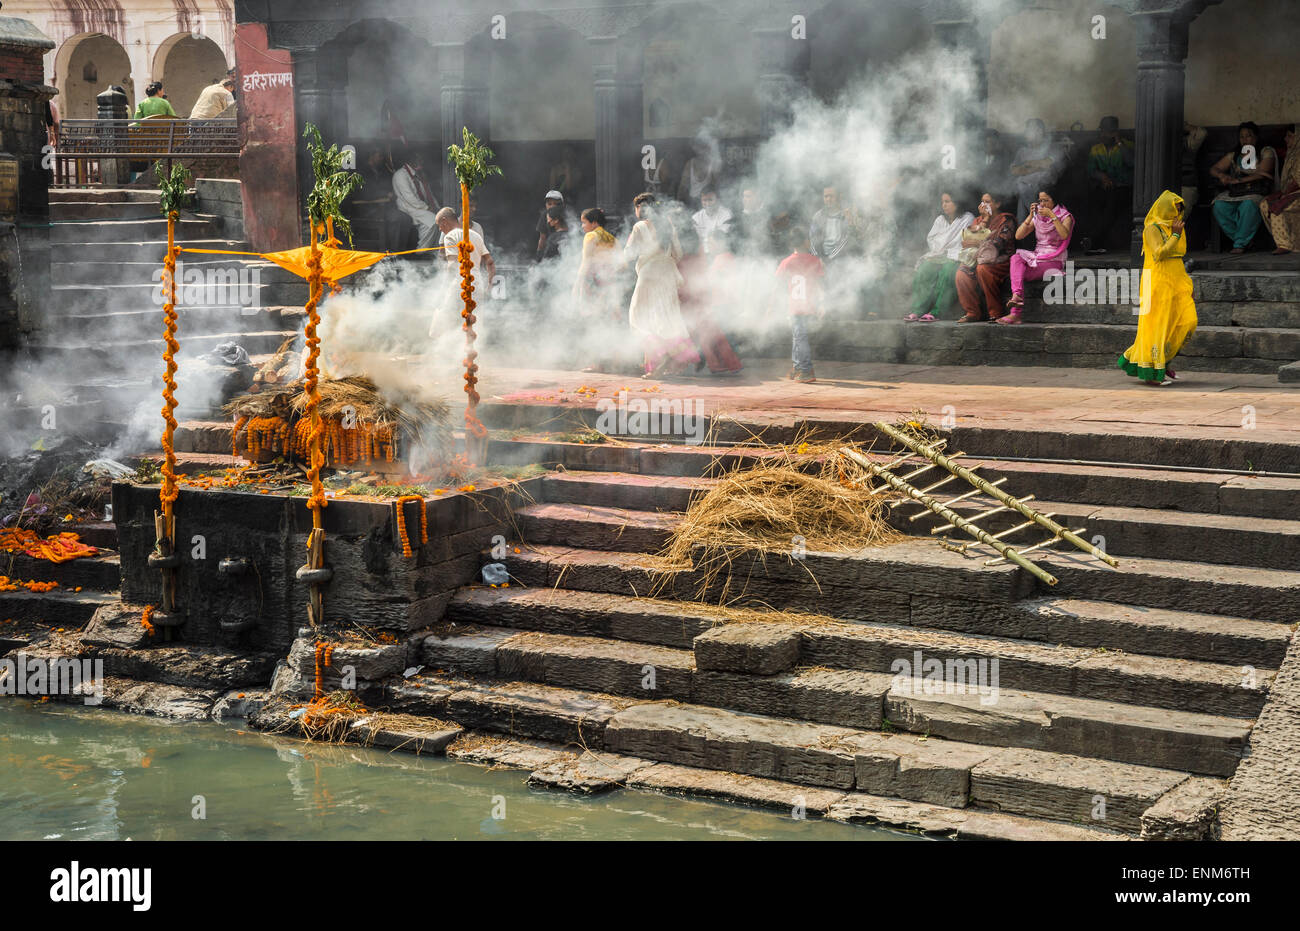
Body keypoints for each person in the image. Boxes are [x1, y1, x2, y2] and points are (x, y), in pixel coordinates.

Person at [1118, 191, 1197, 385]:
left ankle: (1164, 360)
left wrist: (1186, 283)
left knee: (1188, 321)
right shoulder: (1151, 229)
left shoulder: (1176, 227)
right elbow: (1159, 254)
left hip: (1178, 278)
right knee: (1158, 325)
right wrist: (1176, 234)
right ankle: (1153, 372)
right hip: (1159, 280)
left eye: (1180, 208)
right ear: (1164, 207)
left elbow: (1179, 254)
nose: (1178, 212)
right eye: (1174, 208)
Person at [624, 193, 700, 377]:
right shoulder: (668, 225)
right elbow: (678, 253)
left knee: (640, 319)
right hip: (668, 273)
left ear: (639, 209)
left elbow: (628, 254)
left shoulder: (639, 226)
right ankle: (667, 361)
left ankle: (660, 355)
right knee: (668, 318)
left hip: (649, 274)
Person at [999, 187, 1074, 325]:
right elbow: (1018, 235)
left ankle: (1015, 313)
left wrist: (1052, 216)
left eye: (1046, 200)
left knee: (1018, 273)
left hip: (1054, 260)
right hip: (1037, 257)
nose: (1042, 204)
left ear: (1055, 200)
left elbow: (1064, 234)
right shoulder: (1038, 217)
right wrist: (1030, 216)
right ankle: (1016, 296)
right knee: (1015, 258)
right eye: (1040, 200)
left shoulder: (1065, 216)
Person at [677, 228, 743, 376]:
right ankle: (727, 364)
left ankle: (717, 363)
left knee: (709, 336)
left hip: (701, 301)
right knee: (713, 334)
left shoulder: (717, 259)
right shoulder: (704, 258)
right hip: (705, 300)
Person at [1210, 121, 1278, 253]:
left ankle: (1240, 244)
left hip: (1257, 190)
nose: (1245, 139)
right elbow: (1214, 168)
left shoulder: (1266, 151)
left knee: (1248, 206)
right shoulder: (1235, 155)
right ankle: (1246, 240)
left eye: (1248, 136)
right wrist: (1221, 176)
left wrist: (1238, 180)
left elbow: (1262, 173)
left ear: (1256, 137)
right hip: (1237, 192)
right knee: (1219, 205)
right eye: (1242, 136)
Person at [905, 192, 973, 322]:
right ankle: (917, 310)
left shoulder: (967, 218)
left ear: (957, 202)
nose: (944, 205)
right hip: (939, 254)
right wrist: (941, 250)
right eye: (943, 202)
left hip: (957, 255)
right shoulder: (940, 220)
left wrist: (946, 248)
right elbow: (932, 240)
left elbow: (962, 242)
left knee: (948, 272)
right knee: (925, 269)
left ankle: (937, 311)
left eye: (948, 201)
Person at [430, 207, 493, 337]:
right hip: (477, 285)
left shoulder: (450, 236)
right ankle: (467, 351)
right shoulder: (475, 235)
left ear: (444, 221)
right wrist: (489, 285)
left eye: (439, 226)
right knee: (471, 325)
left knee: (442, 323)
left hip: (460, 284)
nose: (440, 229)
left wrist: (443, 289)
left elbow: (452, 265)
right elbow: (490, 262)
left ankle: (441, 352)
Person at [955, 192, 1016, 323]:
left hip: (1001, 260)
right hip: (979, 259)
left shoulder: (1006, 220)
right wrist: (985, 220)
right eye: (982, 202)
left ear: (997, 204)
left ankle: (995, 312)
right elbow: (967, 242)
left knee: (983, 270)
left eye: (987, 202)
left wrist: (979, 242)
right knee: (961, 273)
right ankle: (972, 312)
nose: (983, 205)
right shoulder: (978, 220)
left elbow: (999, 244)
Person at [573, 207, 620, 371]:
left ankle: (596, 363)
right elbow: (621, 264)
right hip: (609, 284)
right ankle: (614, 363)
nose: (582, 226)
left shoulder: (591, 236)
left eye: (584, 222)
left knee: (592, 322)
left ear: (594, 223)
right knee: (608, 323)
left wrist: (578, 284)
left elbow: (586, 262)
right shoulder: (612, 238)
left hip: (593, 283)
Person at [776, 230, 825, 383]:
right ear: (807, 242)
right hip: (810, 306)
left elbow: (778, 283)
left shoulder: (786, 262)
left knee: (799, 337)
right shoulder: (815, 260)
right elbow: (820, 284)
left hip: (795, 307)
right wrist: (823, 304)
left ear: (791, 245)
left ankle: (805, 369)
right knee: (798, 337)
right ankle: (798, 367)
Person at [1083, 116, 1134, 254]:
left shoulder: (1126, 145)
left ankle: (1093, 242)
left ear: (1115, 132)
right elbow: (1091, 170)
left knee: (1111, 205)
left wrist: (1119, 143)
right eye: (1103, 131)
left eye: (1108, 132)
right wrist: (1102, 177)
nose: (1104, 135)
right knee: (1093, 205)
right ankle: (1092, 241)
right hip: (1103, 187)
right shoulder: (1096, 149)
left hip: (1123, 188)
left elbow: (1131, 162)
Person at [1009, 118, 1066, 219]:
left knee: (1022, 186)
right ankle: (1038, 219)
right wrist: (1035, 168)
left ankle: (1037, 219)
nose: (1025, 133)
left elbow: (1046, 164)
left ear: (1039, 131)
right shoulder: (1022, 151)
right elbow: (1014, 171)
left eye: (1028, 130)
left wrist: (1026, 166)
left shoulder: (1052, 147)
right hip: (1025, 191)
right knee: (1022, 187)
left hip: (1044, 191)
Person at [1260, 123, 1300, 255]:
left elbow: (1296, 181)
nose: (1286, 139)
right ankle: (1286, 240)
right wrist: (1283, 194)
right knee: (1265, 204)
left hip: (1296, 192)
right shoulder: (1292, 152)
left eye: (1290, 136)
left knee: (1278, 206)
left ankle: (1285, 245)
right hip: (1291, 192)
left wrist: (1283, 196)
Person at [392, 149, 440, 247]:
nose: (422, 161)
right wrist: (427, 208)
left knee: (439, 220)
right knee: (432, 220)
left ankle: (431, 251)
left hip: (420, 207)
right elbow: (409, 198)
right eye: (419, 159)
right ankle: (421, 252)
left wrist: (436, 207)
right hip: (408, 207)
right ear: (412, 160)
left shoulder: (418, 173)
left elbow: (427, 193)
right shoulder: (400, 174)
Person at [808, 186, 861, 265]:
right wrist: (818, 258)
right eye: (826, 196)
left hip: (842, 260)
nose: (828, 199)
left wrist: (829, 259)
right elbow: (812, 238)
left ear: (839, 197)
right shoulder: (818, 216)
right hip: (821, 260)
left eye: (831, 196)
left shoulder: (846, 215)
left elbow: (848, 240)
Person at [691, 187, 733, 255]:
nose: (707, 203)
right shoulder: (696, 218)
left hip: (719, 252)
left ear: (718, 200)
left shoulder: (726, 215)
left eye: (710, 200)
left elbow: (721, 239)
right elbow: (695, 240)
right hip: (701, 252)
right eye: (704, 200)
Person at [534, 190, 565, 262]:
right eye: (549, 204)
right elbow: (542, 238)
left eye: (556, 204)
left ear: (562, 205)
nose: (552, 206)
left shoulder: (567, 214)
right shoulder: (544, 215)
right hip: (552, 246)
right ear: (546, 205)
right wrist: (539, 254)